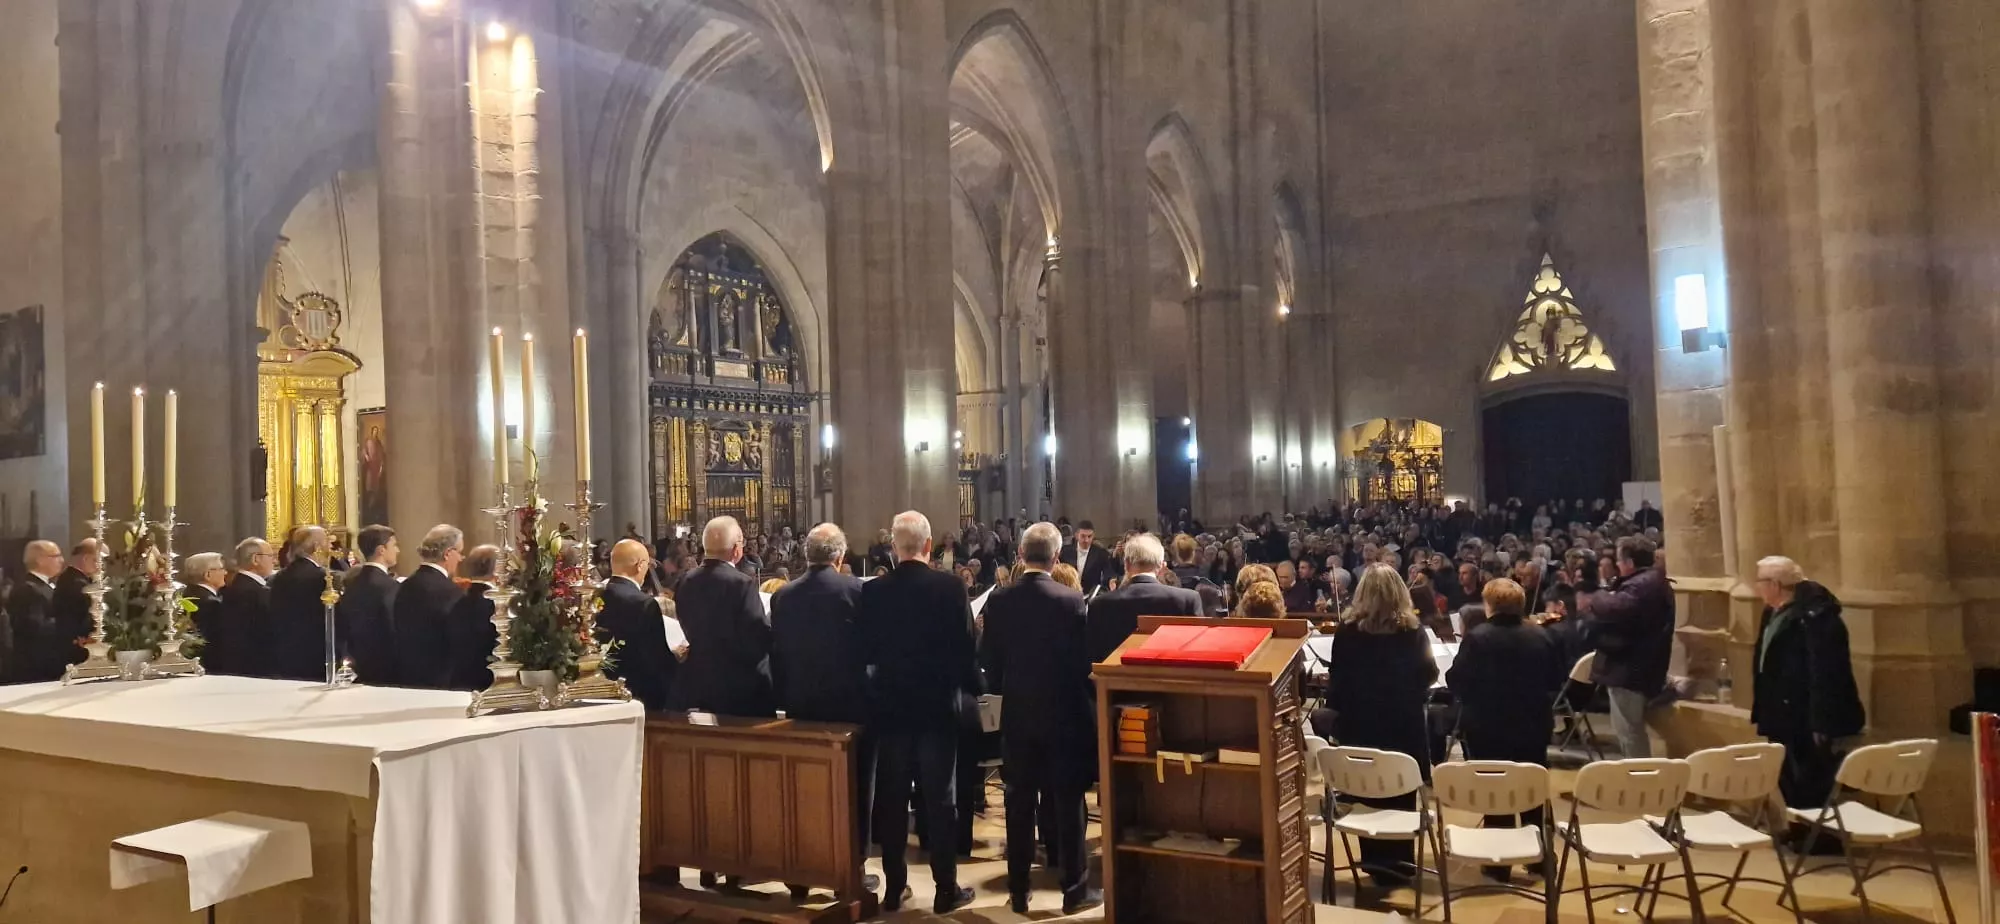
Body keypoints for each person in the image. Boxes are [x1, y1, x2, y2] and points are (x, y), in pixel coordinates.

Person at [858, 510, 980, 915]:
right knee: (940, 800)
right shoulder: (950, 589)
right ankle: (946, 887)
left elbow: (866, 652)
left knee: (892, 800)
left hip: (891, 710)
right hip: (937, 709)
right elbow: (966, 650)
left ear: (894, 547)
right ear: (929, 546)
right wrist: (971, 693)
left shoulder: (874, 592)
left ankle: (894, 888)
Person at [980, 522, 1101, 915]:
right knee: (1067, 803)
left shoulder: (999, 601)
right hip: (1063, 716)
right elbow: (1083, 663)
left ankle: (1018, 891)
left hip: (1018, 716)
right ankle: (1074, 890)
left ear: (1019, 555)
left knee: (1018, 805)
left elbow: (991, 663)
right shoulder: (1071, 601)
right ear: (1056, 558)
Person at [1322, 563, 1437, 886]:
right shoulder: (1413, 633)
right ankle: (1399, 863)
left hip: (1359, 728)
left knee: (1366, 792)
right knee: (1399, 794)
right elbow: (1428, 676)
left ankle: (1373, 862)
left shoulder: (1347, 632)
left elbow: (1338, 682)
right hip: (1403, 731)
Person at [1445, 578, 1562, 880]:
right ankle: (1539, 858)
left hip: (1489, 725)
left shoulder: (1478, 637)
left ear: (1490, 605)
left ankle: (1499, 863)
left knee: (1495, 792)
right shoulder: (1541, 636)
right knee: (1532, 790)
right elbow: (1554, 681)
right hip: (1533, 723)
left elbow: (1457, 681)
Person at [1750, 556, 1864, 811]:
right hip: (1778, 709)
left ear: (1775, 585)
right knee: (1786, 775)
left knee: (1810, 780)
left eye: (1760, 582)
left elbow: (1825, 671)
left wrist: (1821, 720)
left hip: (1804, 714)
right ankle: (1799, 829)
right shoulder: (1772, 612)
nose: (1757, 587)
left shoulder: (1816, 617)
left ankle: (1815, 836)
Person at [670, 516, 775, 717]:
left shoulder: (686, 581)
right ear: (737, 548)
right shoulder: (741, 583)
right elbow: (756, 639)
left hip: (699, 684)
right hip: (741, 691)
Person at [1584, 536, 1674, 758]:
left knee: (1629, 732)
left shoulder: (1641, 585)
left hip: (1629, 668)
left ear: (1630, 562)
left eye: (1619, 560)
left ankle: (1641, 781)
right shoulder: (1651, 581)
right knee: (1630, 730)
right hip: (1639, 664)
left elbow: (1613, 609)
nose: (1617, 565)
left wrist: (1598, 595)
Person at [1084, 533, 1202, 663]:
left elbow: (1091, 657)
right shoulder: (1188, 600)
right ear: (1162, 566)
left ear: (1127, 565)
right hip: (1173, 680)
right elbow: (1198, 655)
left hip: (1115, 681)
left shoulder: (1099, 604)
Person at [597, 539, 679, 711]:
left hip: (600, 689)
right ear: (640, 565)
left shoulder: (594, 596)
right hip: (638, 694)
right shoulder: (643, 603)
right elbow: (657, 658)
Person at [394, 525, 466, 689]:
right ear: (448, 553)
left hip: (407, 675)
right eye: (460, 552)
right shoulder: (449, 591)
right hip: (443, 678)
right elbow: (458, 637)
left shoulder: (406, 585)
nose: (461, 558)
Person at [267, 526, 333, 681]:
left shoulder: (277, 577)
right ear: (317, 547)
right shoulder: (325, 578)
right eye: (327, 543)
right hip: (318, 655)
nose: (330, 548)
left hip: (283, 653)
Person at [338, 524, 401, 685]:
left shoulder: (352, 583)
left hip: (357, 664)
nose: (398, 550)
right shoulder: (389, 586)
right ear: (381, 550)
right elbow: (393, 627)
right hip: (386, 667)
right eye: (394, 545)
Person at [4, 540, 70, 682]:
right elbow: (33, 626)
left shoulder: (43, 586)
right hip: (37, 667)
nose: (62, 560)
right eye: (56, 556)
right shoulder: (28, 589)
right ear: (40, 560)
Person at [217, 537, 277, 677]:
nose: (274, 561)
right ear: (256, 559)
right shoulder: (256, 591)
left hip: (235, 662)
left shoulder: (234, 585)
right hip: (258, 664)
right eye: (270, 556)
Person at [445, 545, 501, 691]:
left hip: (459, 681)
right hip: (490, 683)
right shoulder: (497, 604)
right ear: (497, 569)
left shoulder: (457, 601)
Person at [180, 551, 230, 671]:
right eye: (222, 569)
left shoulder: (185, 594)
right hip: (210, 665)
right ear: (208, 574)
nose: (226, 572)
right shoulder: (211, 603)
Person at [1059, 520, 1113, 593]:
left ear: (1093, 536)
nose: (1086, 540)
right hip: (1068, 593)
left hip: (1091, 594)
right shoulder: (1065, 551)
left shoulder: (1100, 553)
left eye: (1089, 536)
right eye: (1083, 536)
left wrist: (1111, 580)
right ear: (1076, 535)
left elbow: (1108, 572)